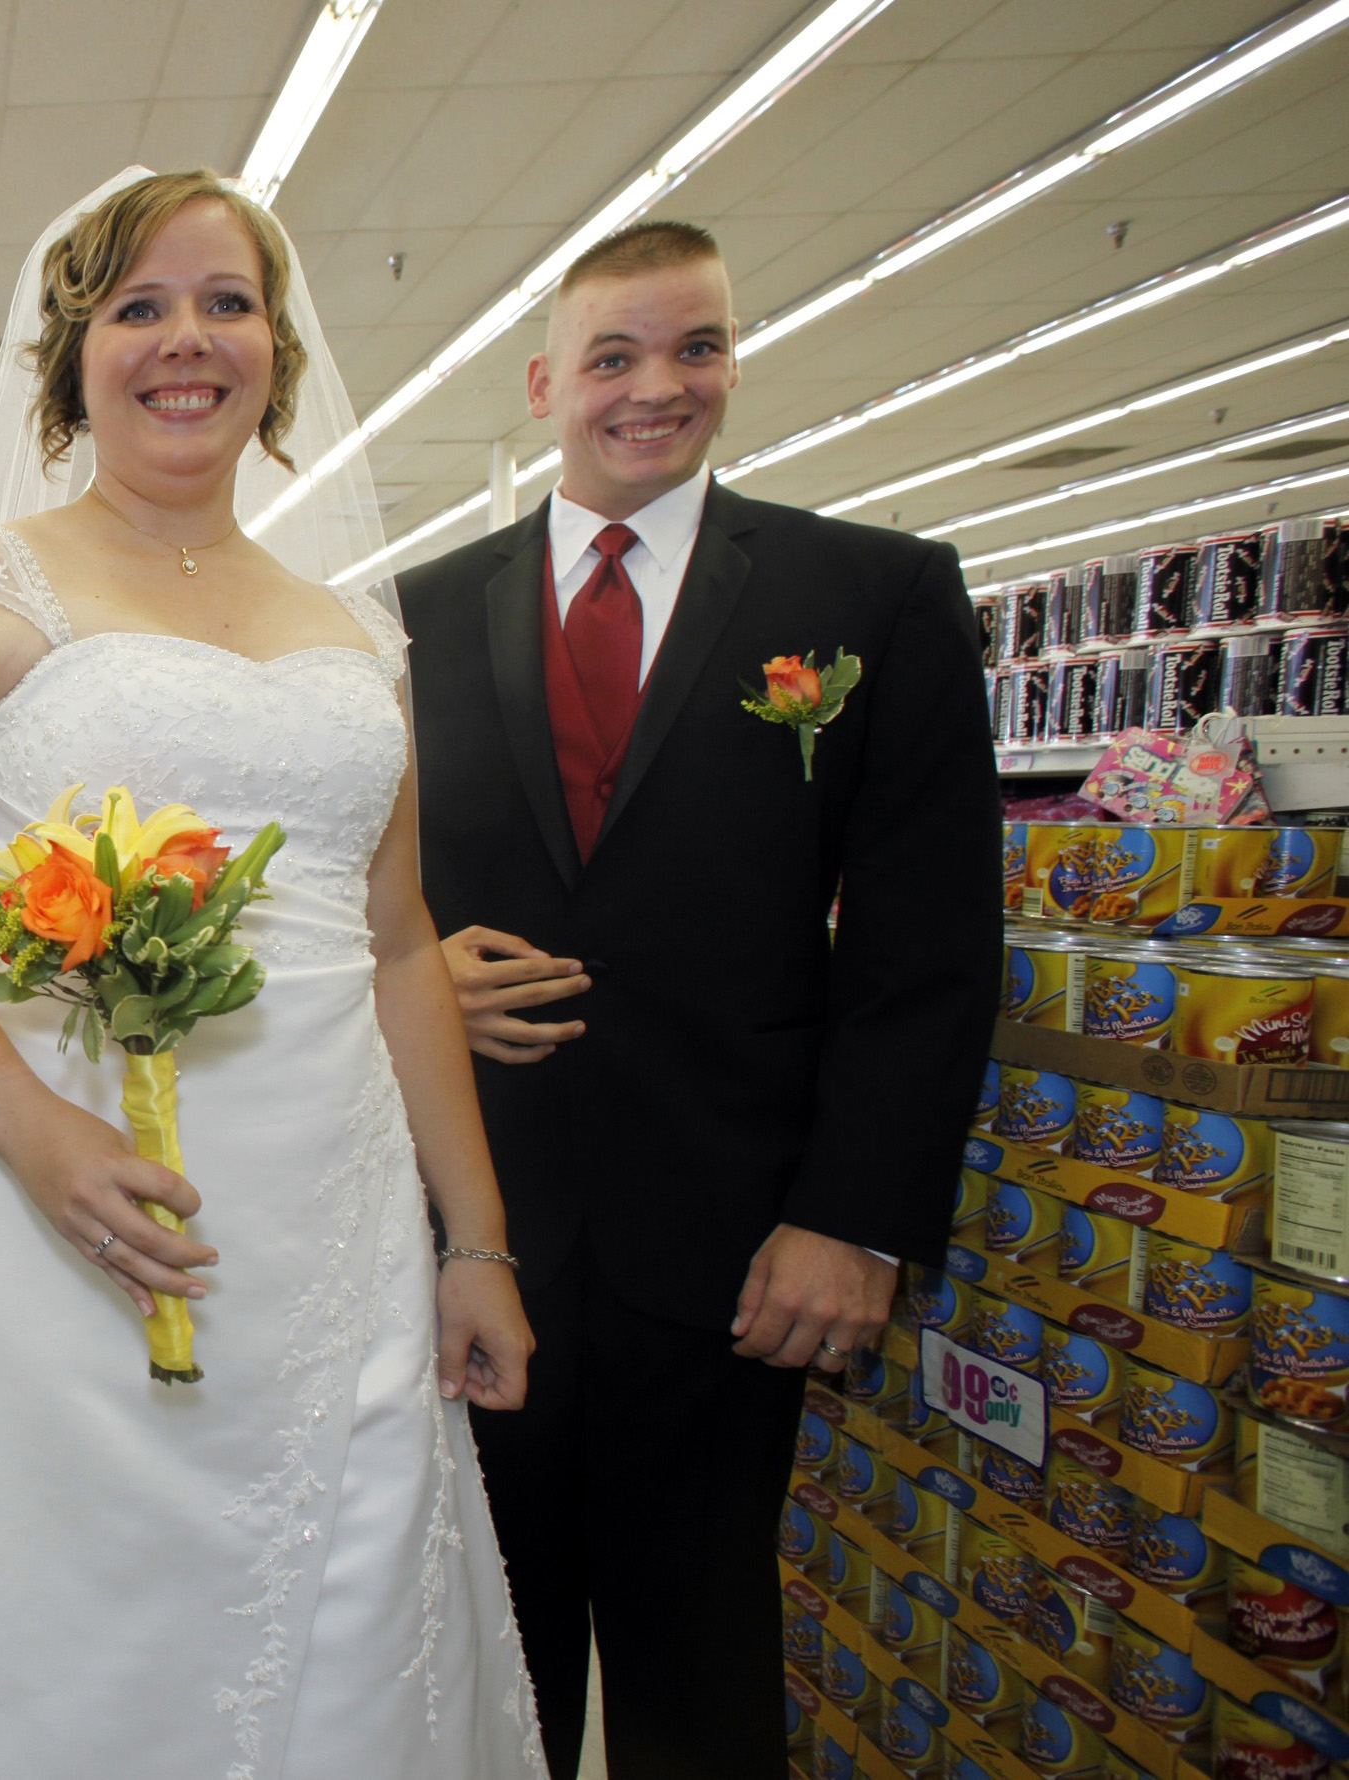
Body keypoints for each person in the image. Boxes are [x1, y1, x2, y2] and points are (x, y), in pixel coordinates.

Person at [0, 167, 545, 1779]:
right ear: (76, 355)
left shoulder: (355, 633)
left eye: (228, 302)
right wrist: (38, 1135)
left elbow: (396, 943)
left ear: (276, 350)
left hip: (326, 1230)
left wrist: (478, 1241)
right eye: (141, 306)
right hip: (41, 1190)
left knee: (334, 1622)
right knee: (50, 1622)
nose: (187, 339)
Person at [395, 220, 999, 1778]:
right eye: (614, 355)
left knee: (703, 1666)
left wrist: (857, 1216)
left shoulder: (871, 594)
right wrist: (405, 982)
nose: (657, 388)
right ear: (545, 384)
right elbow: (342, 894)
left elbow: (928, 945)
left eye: (698, 348)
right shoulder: (412, 618)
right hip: (470, 1232)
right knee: (474, 1655)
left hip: (741, 1248)